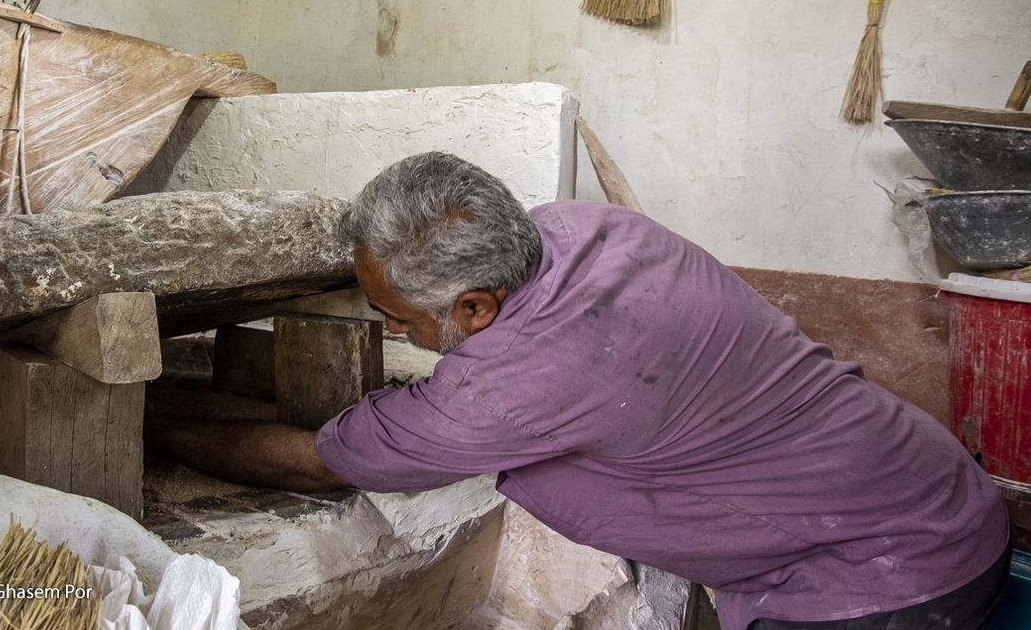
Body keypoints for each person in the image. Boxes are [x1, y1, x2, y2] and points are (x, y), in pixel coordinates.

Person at [151, 151, 1011, 630]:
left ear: (476, 305)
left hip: (890, 580)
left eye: (395, 315)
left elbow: (315, 462)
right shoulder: (583, 225)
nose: (391, 332)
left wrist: (151, 415)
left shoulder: (503, 389)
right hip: (936, 488)